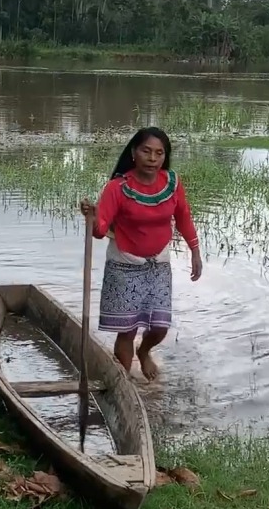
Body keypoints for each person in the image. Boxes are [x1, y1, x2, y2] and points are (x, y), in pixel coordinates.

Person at [79, 126, 202, 381]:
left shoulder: (172, 183)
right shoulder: (117, 188)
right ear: (134, 153)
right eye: (146, 151)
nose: (152, 158)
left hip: (158, 265)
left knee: (159, 326)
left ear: (164, 157)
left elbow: (184, 218)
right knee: (126, 329)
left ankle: (144, 351)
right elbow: (101, 231)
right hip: (124, 266)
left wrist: (195, 251)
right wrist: (92, 217)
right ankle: (123, 384)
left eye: (159, 153)